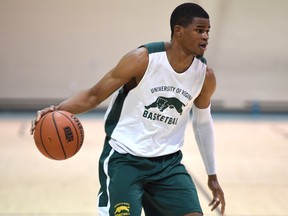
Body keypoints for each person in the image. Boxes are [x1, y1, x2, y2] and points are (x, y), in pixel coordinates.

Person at [31, 2, 225, 216]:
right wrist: (57, 110)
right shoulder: (142, 60)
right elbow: (93, 95)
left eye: (208, 31)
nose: (206, 36)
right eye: (199, 30)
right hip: (125, 159)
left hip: (167, 165)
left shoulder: (205, 76)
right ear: (178, 31)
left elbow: (202, 123)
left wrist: (212, 174)